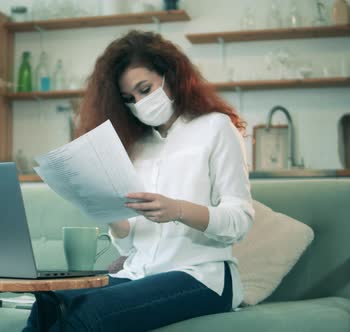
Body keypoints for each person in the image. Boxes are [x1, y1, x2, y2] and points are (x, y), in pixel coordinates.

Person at [23, 30, 254, 332]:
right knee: (50, 303)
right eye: (129, 98)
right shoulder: (137, 144)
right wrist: (113, 218)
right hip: (140, 274)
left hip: (201, 276)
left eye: (145, 89)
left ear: (171, 75)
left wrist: (179, 210)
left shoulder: (215, 127)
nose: (140, 103)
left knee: (91, 312)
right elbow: (132, 246)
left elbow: (240, 221)